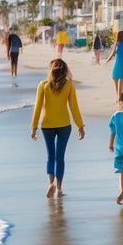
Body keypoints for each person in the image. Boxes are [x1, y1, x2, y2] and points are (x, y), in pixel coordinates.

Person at [30, 58, 85, 199]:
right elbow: (74, 107)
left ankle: (50, 184)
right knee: (60, 157)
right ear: (65, 70)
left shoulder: (43, 85)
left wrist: (34, 126)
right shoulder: (69, 85)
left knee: (51, 156)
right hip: (64, 125)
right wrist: (80, 125)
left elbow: (37, 107)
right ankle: (59, 189)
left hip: (47, 125)